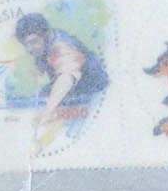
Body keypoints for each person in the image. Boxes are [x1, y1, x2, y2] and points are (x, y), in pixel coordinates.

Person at [12, 8, 109, 152]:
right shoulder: (43, 45)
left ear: (46, 35)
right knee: (45, 94)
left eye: (33, 42)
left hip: (94, 92)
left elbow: (66, 77)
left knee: (75, 134)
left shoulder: (62, 46)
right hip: (75, 89)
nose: (29, 49)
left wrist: (47, 112)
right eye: (25, 44)